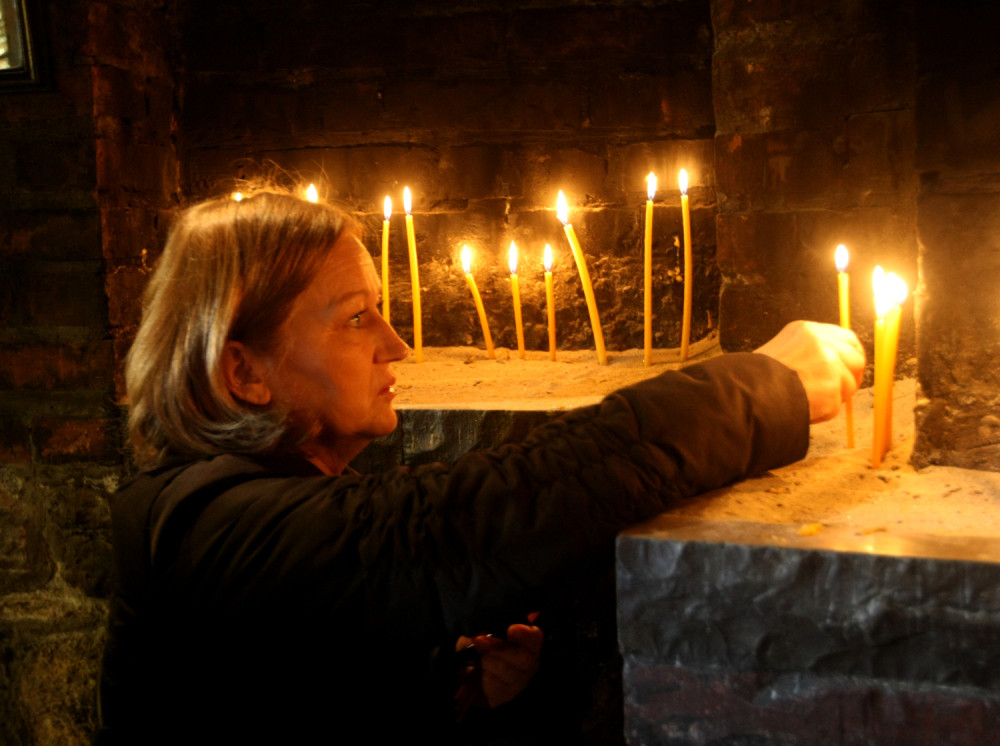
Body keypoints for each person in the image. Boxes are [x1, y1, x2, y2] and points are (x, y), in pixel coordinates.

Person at [98, 185, 864, 744]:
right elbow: (463, 522)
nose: (396, 346)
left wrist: (460, 691)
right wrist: (763, 386)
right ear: (245, 373)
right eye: (357, 318)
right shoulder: (203, 531)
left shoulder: (290, 499)